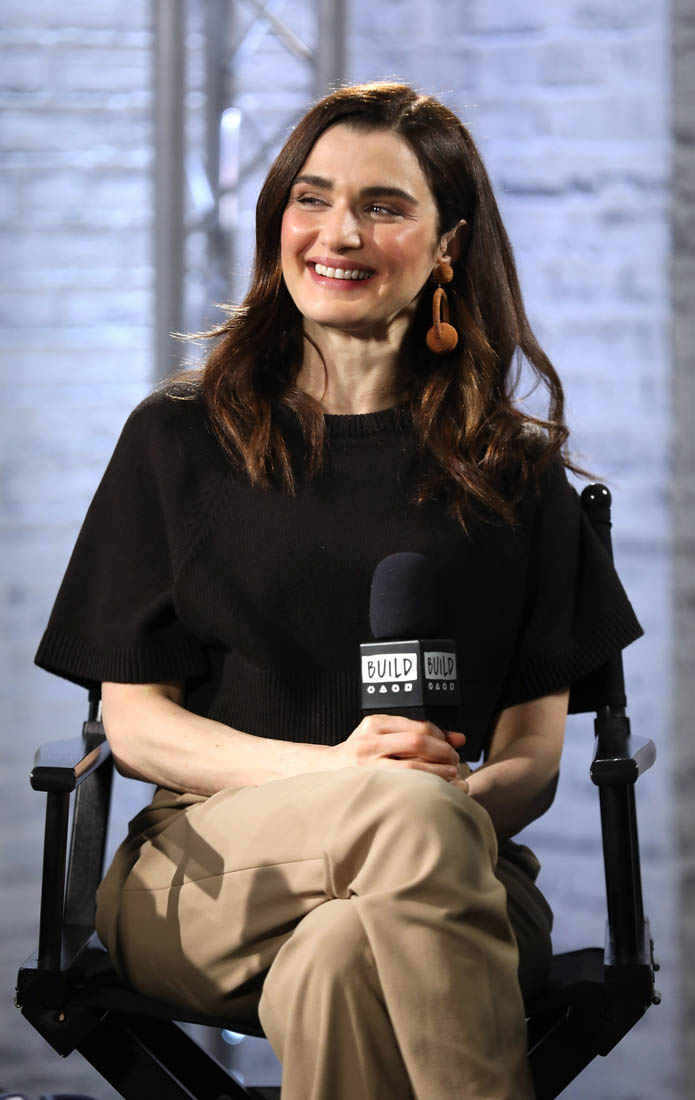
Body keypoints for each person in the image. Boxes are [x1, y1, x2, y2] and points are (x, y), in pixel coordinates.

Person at [35, 82, 642, 1100]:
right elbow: (134, 727)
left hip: (456, 864)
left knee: (338, 961)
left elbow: (531, 760)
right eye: (309, 198)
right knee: (400, 815)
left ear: (447, 245)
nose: (338, 233)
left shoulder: (511, 470)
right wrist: (353, 780)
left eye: (383, 206)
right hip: (209, 867)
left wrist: (434, 812)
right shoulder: (176, 440)